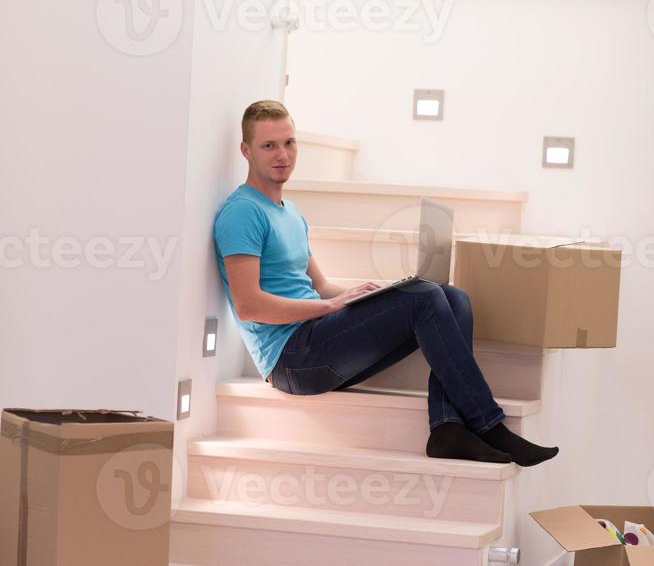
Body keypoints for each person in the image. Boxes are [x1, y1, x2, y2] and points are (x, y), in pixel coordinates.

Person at [213, 100, 559, 467]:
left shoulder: (290, 212)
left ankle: (447, 428)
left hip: (318, 337)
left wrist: (378, 295)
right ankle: (488, 424)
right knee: (425, 298)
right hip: (292, 359)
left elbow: (320, 284)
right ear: (246, 151)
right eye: (269, 146)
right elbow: (249, 304)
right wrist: (328, 307)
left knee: (452, 297)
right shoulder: (242, 213)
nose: (282, 154)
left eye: (289, 143)